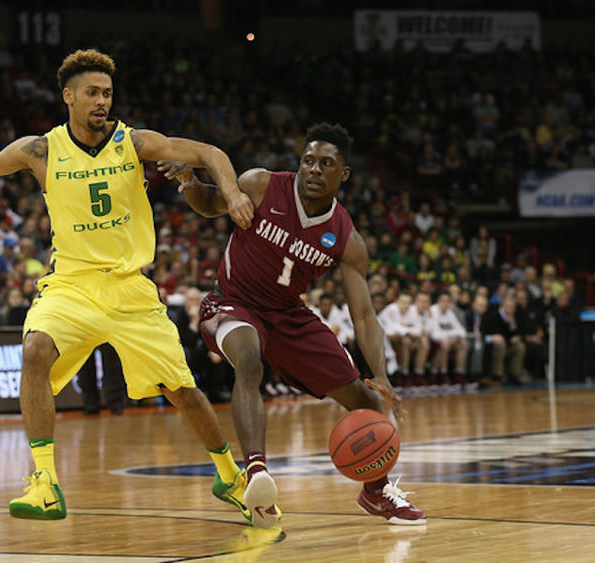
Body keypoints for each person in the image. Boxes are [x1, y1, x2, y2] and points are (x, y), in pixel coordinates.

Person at [0, 49, 256, 523]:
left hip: (130, 289)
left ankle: (228, 474)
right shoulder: (41, 150)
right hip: (70, 285)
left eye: (107, 93)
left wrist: (231, 192)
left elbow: (208, 153)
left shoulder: (132, 142)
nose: (101, 102)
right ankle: (45, 483)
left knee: (184, 391)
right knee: (34, 351)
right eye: (92, 92)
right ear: (67, 96)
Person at [160, 122, 426, 527]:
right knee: (249, 359)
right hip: (233, 303)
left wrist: (382, 374)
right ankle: (257, 475)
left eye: (326, 163)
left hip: (287, 314)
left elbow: (364, 314)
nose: (315, 169)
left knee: (368, 403)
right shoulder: (261, 184)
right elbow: (212, 202)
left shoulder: (346, 238)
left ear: (344, 174)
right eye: (308, 161)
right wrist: (192, 182)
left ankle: (376, 493)